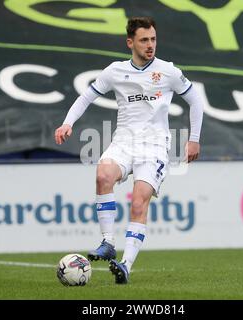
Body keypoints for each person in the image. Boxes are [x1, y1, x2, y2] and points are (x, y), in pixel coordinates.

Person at [55, 17, 203, 284]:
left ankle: (125, 265)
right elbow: (86, 96)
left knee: (138, 202)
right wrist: (68, 123)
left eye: (153, 39)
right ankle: (108, 242)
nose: (150, 45)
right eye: (144, 40)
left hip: (155, 146)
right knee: (103, 175)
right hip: (123, 141)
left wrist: (193, 139)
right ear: (130, 42)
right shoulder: (115, 71)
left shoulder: (167, 71)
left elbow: (195, 100)